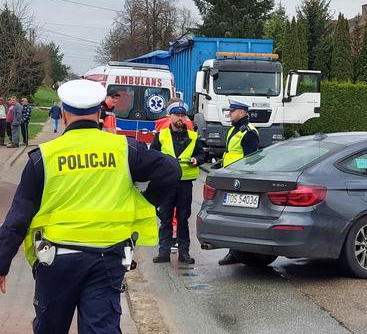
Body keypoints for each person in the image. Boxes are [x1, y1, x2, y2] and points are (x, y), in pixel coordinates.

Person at [0, 79, 180, 333]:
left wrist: (2, 262)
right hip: (107, 259)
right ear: (99, 114)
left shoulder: (43, 157)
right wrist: (145, 201)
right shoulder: (123, 148)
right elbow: (171, 169)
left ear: (63, 115)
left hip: (56, 260)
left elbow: (18, 217)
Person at [151, 101, 205, 265]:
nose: (180, 118)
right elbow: (152, 155)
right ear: (170, 116)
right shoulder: (161, 135)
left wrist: (196, 159)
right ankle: (163, 252)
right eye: (177, 115)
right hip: (167, 183)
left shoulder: (192, 137)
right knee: (165, 219)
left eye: (183, 115)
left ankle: (184, 253)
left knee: (183, 219)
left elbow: (202, 155)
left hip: (184, 184)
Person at [217, 98, 260, 266]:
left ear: (242, 113)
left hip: (240, 181)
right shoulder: (235, 130)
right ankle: (233, 251)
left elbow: (251, 159)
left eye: (232, 111)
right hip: (230, 178)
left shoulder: (248, 131)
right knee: (229, 217)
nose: (229, 114)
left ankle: (237, 252)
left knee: (238, 217)